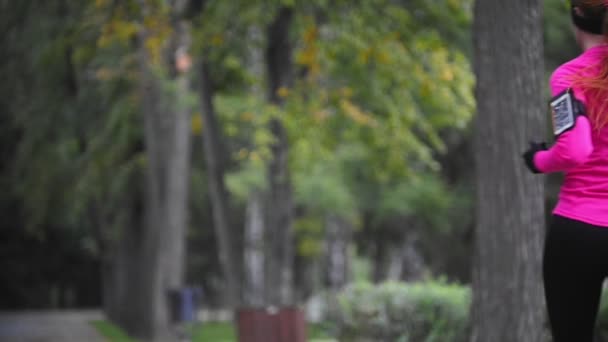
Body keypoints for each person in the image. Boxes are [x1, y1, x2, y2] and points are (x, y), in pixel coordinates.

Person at [522, 0, 608, 340]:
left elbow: (575, 149)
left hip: (579, 228)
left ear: (576, 17)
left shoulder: (570, 75)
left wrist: (539, 159)